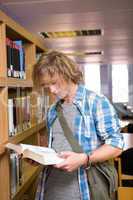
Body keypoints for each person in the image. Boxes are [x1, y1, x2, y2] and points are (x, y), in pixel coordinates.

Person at [32, 50, 124, 200]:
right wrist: (39, 157)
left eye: (54, 82)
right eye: (45, 85)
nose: (52, 90)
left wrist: (84, 159)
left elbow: (116, 145)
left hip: (84, 191)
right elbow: (56, 148)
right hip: (50, 191)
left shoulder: (96, 102)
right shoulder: (52, 111)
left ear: (67, 73)